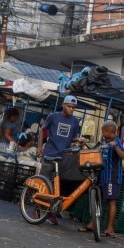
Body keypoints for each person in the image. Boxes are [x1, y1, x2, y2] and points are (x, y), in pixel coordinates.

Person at [37, 96, 82, 224]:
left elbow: (72, 138)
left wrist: (78, 140)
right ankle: (38, 210)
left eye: (73, 108)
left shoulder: (75, 121)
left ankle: (52, 212)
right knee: (43, 183)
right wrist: (40, 147)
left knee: (59, 187)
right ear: (63, 104)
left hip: (64, 157)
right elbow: (42, 130)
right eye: (69, 106)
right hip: (49, 154)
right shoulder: (53, 116)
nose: (71, 109)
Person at [95, 121, 124, 237]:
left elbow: (123, 156)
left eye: (103, 132)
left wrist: (116, 146)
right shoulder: (106, 141)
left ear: (108, 131)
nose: (102, 134)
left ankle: (110, 228)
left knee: (111, 201)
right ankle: (92, 224)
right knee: (98, 199)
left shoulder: (117, 141)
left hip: (112, 178)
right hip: (103, 176)